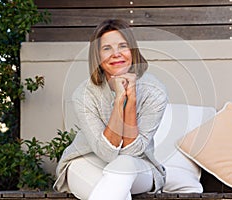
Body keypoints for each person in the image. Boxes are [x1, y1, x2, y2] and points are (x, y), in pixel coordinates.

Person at [53, 19, 168, 200]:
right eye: (107, 48)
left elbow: (132, 152)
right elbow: (106, 152)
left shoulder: (154, 92)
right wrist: (119, 100)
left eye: (123, 46)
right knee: (113, 191)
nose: (116, 54)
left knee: (124, 165)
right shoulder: (84, 94)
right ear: (97, 56)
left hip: (138, 166)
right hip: (85, 161)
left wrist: (131, 101)